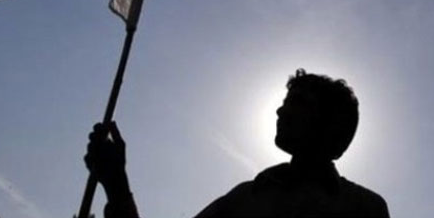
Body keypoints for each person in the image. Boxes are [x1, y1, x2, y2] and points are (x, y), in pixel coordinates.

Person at [84, 69, 390, 217]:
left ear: (332, 125)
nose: (281, 109)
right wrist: (116, 185)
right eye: (285, 101)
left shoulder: (363, 208)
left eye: (299, 102)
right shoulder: (245, 198)